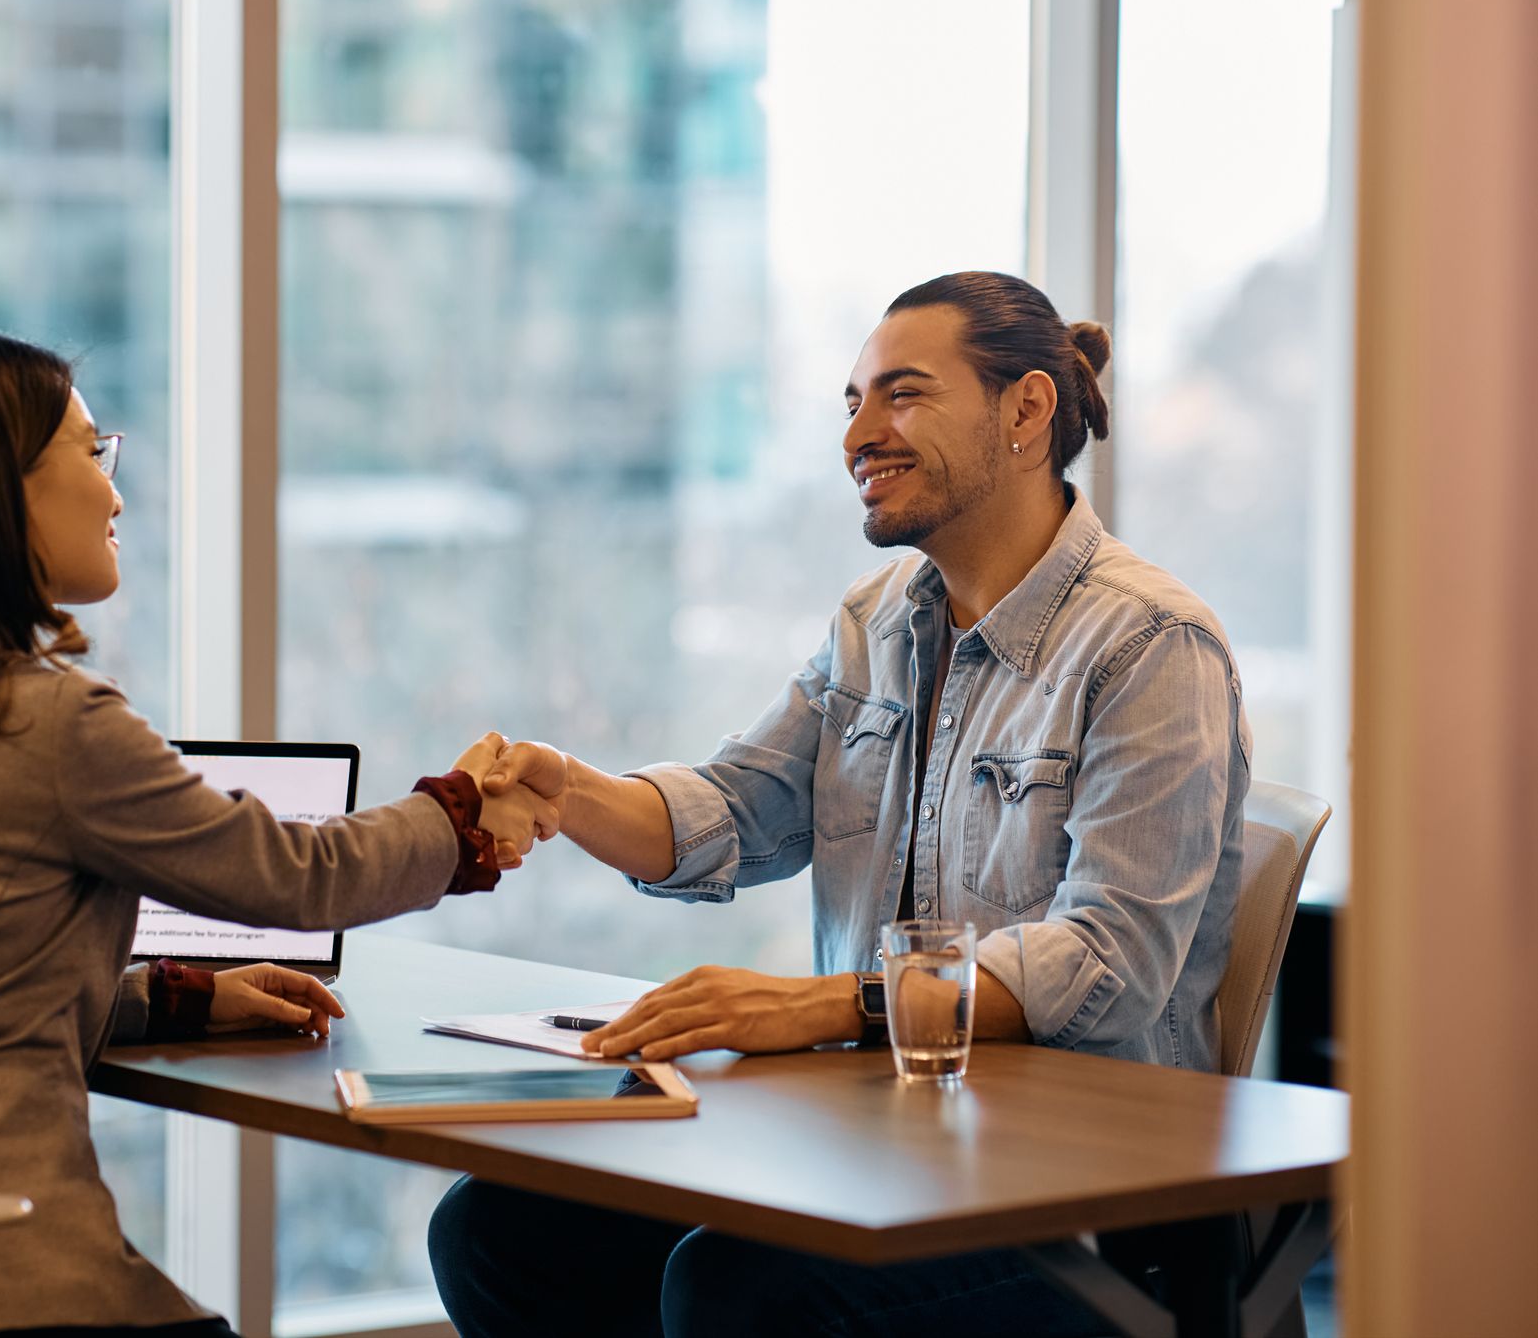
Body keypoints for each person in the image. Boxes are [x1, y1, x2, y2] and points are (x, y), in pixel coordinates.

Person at [431, 271, 1253, 1336]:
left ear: (1027, 410)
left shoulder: (1152, 645)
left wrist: (820, 1008)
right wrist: (570, 790)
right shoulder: (875, 622)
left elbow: (1112, 956)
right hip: (887, 1154)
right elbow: (739, 807)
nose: (860, 432)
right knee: (498, 1231)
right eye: (853, 402)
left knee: (738, 1289)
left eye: (900, 395)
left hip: (1085, 1211)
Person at [0, 333, 559, 1338]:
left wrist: (176, 996)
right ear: (0, 488)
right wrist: (460, 812)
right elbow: (297, 876)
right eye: (89, 452)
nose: (114, 494)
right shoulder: (35, 720)